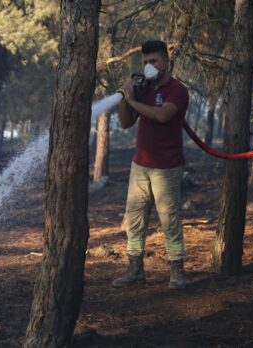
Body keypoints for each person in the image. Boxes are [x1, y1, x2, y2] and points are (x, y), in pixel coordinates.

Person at [111, 40, 190, 290]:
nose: (149, 66)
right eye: (145, 62)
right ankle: (135, 270)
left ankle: (177, 271)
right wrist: (127, 97)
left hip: (166, 166)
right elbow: (125, 123)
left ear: (165, 62)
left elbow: (163, 115)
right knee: (134, 218)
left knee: (169, 220)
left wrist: (134, 101)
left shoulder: (178, 90)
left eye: (153, 61)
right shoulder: (142, 89)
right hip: (140, 164)